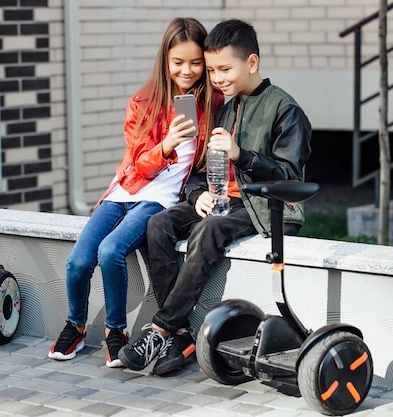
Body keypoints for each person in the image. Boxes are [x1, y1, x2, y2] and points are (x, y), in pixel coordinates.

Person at [119, 18, 312, 375]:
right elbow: (197, 171)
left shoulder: (285, 110)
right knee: (159, 223)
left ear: (251, 63)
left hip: (267, 206)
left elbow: (290, 177)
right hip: (222, 200)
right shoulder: (225, 107)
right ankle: (180, 335)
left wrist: (243, 155)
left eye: (225, 68)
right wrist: (195, 198)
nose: (217, 77)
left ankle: (160, 328)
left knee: (208, 230)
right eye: (212, 70)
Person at [48, 17, 223, 368]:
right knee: (80, 259)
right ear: (165, 60)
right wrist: (168, 143)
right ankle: (76, 324)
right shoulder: (143, 102)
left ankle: (116, 332)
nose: (186, 70)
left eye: (195, 62)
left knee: (112, 250)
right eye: (178, 62)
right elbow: (138, 165)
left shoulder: (213, 103)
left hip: (159, 199)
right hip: (127, 188)